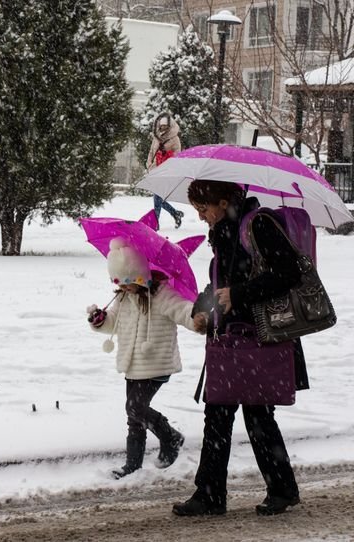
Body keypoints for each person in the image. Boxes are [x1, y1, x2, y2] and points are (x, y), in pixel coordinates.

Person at [173, 179, 309, 517]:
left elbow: (290, 272)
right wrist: (203, 308)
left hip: (257, 340)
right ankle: (210, 496)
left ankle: (280, 489)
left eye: (203, 209)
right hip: (228, 340)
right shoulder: (224, 235)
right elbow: (219, 282)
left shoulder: (258, 224)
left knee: (257, 416)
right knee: (217, 416)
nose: (201, 217)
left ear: (222, 202)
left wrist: (239, 294)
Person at [87, 238, 195, 479]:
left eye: (128, 282)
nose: (124, 288)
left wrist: (197, 318)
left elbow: (182, 310)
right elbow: (113, 322)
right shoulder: (124, 298)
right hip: (132, 364)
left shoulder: (161, 295)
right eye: (119, 283)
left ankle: (171, 437)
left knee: (135, 407)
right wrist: (101, 320)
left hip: (156, 362)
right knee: (134, 417)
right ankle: (132, 466)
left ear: (140, 275)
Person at [146, 112, 184, 229]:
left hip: (167, 171)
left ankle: (155, 223)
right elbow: (151, 152)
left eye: (165, 127)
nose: (163, 129)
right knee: (158, 198)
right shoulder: (156, 138)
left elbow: (178, 155)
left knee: (157, 197)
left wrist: (166, 153)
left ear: (170, 126)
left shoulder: (174, 139)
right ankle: (175, 213)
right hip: (155, 169)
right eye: (161, 127)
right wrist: (149, 165)